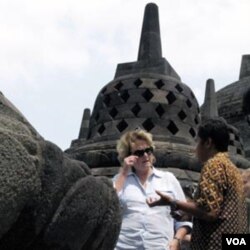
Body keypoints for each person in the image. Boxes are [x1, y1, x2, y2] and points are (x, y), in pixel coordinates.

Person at [147, 118, 248, 250]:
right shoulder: (233, 169)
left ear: (208, 143)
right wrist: (186, 210)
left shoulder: (214, 165)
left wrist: (172, 202)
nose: (195, 149)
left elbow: (209, 212)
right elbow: (220, 209)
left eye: (197, 142)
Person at [113, 129, 192, 250]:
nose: (145, 155)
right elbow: (109, 205)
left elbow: (184, 219)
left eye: (148, 151)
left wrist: (176, 240)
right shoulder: (120, 180)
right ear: (128, 156)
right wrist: (124, 171)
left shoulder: (168, 179)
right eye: (139, 153)